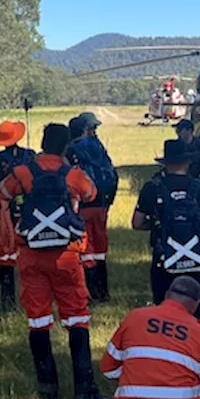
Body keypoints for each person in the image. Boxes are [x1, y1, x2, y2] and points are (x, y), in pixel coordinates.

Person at [0, 123, 106, 399]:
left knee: (38, 319)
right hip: (66, 255)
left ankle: (47, 387)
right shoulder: (72, 175)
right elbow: (92, 193)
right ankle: (84, 389)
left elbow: (4, 192)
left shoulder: (23, 173)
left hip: (31, 254)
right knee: (76, 318)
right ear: (65, 146)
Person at [133, 140, 200, 324]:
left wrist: (159, 225)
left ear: (165, 163)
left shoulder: (153, 187)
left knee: (164, 312)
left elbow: (137, 223)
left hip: (164, 259)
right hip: (198, 260)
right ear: (188, 162)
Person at [70, 111, 119, 303]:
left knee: (85, 249)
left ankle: (90, 293)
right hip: (102, 204)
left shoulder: (72, 149)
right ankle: (104, 293)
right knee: (99, 248)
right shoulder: (99, 147)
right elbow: (112, 173)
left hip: (83, 204)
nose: (95, 132)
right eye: (93, 128)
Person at [0, 120, 35, 311]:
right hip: (29, 211)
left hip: (6, 210)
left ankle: (8, 301)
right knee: (29, 253)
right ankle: (31, 296)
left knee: (6, 255)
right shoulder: (30, 155)